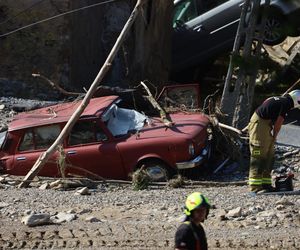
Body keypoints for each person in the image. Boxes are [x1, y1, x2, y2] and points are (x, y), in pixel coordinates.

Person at [248, 89, 300, 193]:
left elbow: (266, 104)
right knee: (259, 155)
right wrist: (275, 136)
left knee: (269, 155)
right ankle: (255, 187)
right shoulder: (286, 104)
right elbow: (278, 123)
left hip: (265, 125)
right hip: (259, 125)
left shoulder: (279, 99)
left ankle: (266, 184)